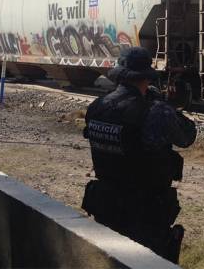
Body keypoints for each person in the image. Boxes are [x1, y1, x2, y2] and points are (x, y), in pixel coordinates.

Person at [81, 47, 197, 263]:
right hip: (144, 213)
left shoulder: (97, 107)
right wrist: (165, 105)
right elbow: (187, 136)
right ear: (146, 77)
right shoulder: (154, 112)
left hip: (106, 206)